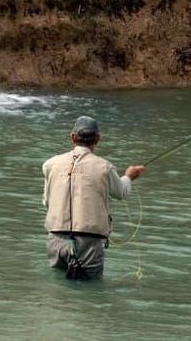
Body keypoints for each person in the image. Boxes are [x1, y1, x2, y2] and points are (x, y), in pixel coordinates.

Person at [42, 116, 145, 280]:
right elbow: (121, 192)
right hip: (88, 242)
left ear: (72, 137)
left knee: (59, 284)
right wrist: (129, 176)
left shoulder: (50, 164)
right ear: (97, 138)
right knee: (88, 287)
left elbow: (46, 201)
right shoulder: (105, 167)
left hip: (56, 239)